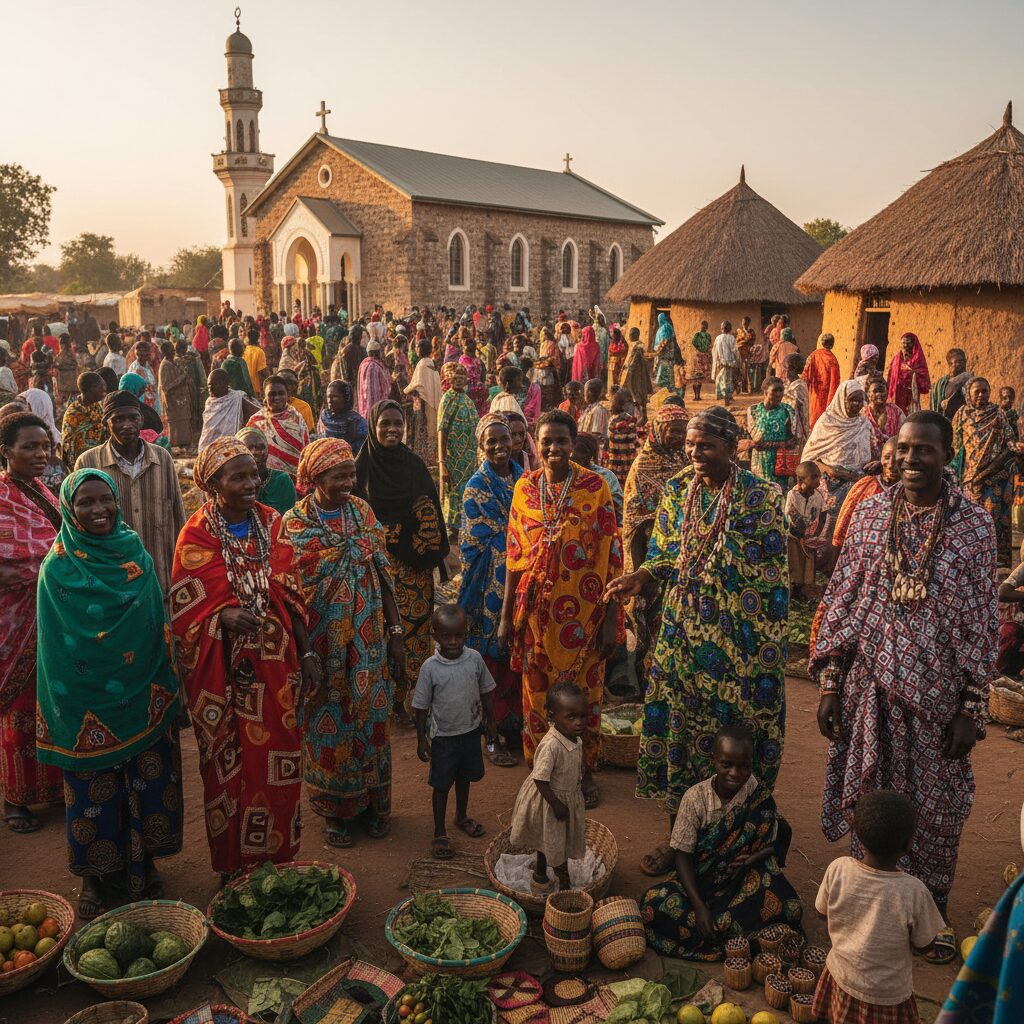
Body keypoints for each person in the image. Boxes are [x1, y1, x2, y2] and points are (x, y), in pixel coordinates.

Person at [813, 412, 997, 963]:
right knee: (874, 804)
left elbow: (982, 617)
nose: (913, 460)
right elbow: (844, 598)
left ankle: (930, 911)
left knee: (938, 809)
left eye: (926, 451)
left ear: (947, 457)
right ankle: (873, 906)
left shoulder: (973, 526)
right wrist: (828, 684)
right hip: (869, 688)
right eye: (905, 450)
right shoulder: (870, 514)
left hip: (939, 699)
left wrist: (971, 705)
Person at [606, 406, 789, 876]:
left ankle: (734, 841)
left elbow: (771, 578)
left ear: (731, 448)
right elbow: (667, 552)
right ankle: (679, 838)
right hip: (683, 636)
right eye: (690, 444)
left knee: (731, 742)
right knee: (680, 738)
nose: (694, 452)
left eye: (705, 445)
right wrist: (642, 574)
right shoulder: (678, 489)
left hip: (738, 648)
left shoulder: (759, 498)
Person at [35, 468, 182, 917]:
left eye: (106, 500)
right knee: (91, 795)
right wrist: (73, 704)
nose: (98, 510)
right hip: (84, 702)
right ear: (68, 508)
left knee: (149, 782)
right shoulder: (58, 567)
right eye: (85, 503)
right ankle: (95, 880)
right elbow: (54, 648)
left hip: (141, 693)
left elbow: (155, 624)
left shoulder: (133, 551)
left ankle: (148, 865)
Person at [171, 437, 318, 879]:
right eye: (238, 477)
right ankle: (233, 865)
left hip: (276, 668)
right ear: (214, 483)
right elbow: (185, 611)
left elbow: (293, 597)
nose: (251, 482)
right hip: (224, 676)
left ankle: (277, 858)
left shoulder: (272, 523)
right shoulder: (196, 534)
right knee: (226, 764)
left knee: (280, 757)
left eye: (254, 473)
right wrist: (222, 613)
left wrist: (307, 651)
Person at [284, 438, 405, 848]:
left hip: (368, 641)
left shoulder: (363, 513)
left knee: (370, 716)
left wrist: (395, 633)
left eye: (351, 474)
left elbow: (384, 576)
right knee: (327, 718)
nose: (349, 482)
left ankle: (374, 804)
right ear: (316, 477)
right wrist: (302, 652)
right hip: (321, 646)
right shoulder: (296, 525)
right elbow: (288, 593)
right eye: (338, 476)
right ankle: (334, 812)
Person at [499, 410, 622, 808]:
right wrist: (505, 619)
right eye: (547, 441)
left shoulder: (594, 487)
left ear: (574, 444)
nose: (554, 449)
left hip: (585, 617)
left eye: (562, 441)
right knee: (538, 699)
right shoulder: (525, 488)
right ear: (535, 443)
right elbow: (514, 558)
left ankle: (584, 773)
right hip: (536, 617)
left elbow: (611, 557)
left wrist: (609, 622)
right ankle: (543, 771)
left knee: (584, 697)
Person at [640, 725, 800, 959]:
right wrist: (699, 907)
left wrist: (752, 859)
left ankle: (723, 937)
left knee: (789, 906)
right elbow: (682, 856)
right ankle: (741, 939)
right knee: (651, 905)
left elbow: (773, 841)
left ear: (751, 764)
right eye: (727, 765)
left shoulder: (755, 791)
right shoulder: (695, 798)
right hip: (700, 882)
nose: (735, 773)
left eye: (743, 766)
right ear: (714, 760)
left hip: (742, 881)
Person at [812, 791, 944, 1024]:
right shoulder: (914, 891)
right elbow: (925, 946)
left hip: (840, 978)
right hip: (887, 996)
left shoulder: (838, 869)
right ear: (907, 845)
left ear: (858, 837)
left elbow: (821, 913)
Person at [355, 400, 449, 716]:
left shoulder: (414, 466)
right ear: (373, 426)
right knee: (378, 632)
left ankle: (413, 702)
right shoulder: (361, 468)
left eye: (398, 424)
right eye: (386, 424)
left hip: (414, 569)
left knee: (415, 633)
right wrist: (386, 538)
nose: (393, 429)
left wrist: (398, 535)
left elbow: (430, 514)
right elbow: (355, 519)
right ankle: (384, 701)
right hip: (374, 571)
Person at [0, 413, 63, 834]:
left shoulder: (44, 491)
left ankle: (53, 788)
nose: (40, 454)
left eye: (44, 447)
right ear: (6, 452)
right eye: (29, 447)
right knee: (18, 711)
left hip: (52, 618)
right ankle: (15, 799)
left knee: (52, 703)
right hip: (15, 621)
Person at [457, 415, 524, 765]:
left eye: (505, 439)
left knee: (516, 658)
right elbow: (473, 541)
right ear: (481, 446)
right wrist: (515, 542)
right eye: (491, 441)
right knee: (490, 661)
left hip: (521, 582)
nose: (500, 446)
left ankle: (516, 727)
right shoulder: (476, 486)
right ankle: (491, 734)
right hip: (488, 590)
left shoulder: (524, 480)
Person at [75, 391, 185, 595]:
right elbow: (79, 528)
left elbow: (178, 516)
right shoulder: (88, 463)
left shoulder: (162, 458)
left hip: (160, 576)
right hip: (113, 581)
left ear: (141, 419)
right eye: (118, 419)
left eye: (132, 418)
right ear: (106, 422)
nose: (127, 425)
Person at [413, 606, 496, 860]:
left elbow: (487, 690)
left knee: (465, 777)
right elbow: (420, 706)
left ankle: (461, 816)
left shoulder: (474, 659)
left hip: (470, 731)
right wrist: (421, 739)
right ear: (435, 636)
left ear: (466, 633)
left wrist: (491, 721)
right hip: (444, 737)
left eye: (458, 636)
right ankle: (439, 831)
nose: (453, 642)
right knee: (441, 784)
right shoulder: (430, 668)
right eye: (446, 636)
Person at [622, 404, 690, 671]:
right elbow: (634, 525)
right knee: (648, 621)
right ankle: (646, 684)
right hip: (650, 556)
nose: (679, 438)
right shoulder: (642, 467)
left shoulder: (685, 461)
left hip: (680, 558)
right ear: (659, 430)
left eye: (683, 432)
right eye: (673, 431)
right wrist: (641, 573)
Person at [508, 682, 588, 893]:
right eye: (571, 717)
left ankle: (543, 872)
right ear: (553, 716)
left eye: (582, 716)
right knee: (550, 841)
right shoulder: (551, 744)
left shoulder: (575, 738)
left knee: (555, 839)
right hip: (549, 799)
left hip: (564, 797)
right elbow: (540, 779)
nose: (579, 722)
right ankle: (555, 878)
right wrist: (556, 804)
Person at [952, 377, 1020, 566]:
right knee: (969, 517)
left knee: (991, 516)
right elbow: (955, 444)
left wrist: (1017, 446)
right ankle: (971, 557)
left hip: (993, 475)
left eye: (985, 391)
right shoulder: (962, 414)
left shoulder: (997, 413)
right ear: (969, 394)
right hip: (968, 476)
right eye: (977, 392)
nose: (981, 395)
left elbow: (1009, 439)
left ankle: (994, 559)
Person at [802, 379, 872, 540]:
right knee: (829, 529)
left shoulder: (863, 423)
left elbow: (872, 451)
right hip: (831, 483)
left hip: (859, 481)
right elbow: (808, 458)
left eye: (861, 400)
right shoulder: (827, 422)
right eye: (853, 400)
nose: (858, 404)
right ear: (842, 399)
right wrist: (828, 469)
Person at [831, 435, 901, 551]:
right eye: (886, 457)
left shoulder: (912, 490)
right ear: (880, 458)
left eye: (897, 458)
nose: (891, 464)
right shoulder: (865, 486)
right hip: (864, 551)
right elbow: (845, 524)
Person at [438, 362, 479, 533]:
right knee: (454, 492)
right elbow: (442, 429)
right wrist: (442, 463)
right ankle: (453, 529)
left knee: (467, 490)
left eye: (463, 377)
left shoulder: (467, 400)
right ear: (449, 378)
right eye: (456, 377)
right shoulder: (448, 398)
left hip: (469, 458)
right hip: (453, 457)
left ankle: (464, 524)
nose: (460, 381)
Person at [246, 375, 310, 478]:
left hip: (295, 479)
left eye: (281, 393)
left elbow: (306, 450)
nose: (277, 398)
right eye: (272, 394)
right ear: (264, 397)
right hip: (266, 480)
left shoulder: (297, 418)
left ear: (288, 395)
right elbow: (248, 453)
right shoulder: (256, 421)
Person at [786, 462, 828, 600]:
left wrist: (815, 535)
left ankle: (805, 590)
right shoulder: (793, 495)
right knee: (795, 562)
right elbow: (790, 516)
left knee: (808, 564)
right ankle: (794, 589)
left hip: (809, 537)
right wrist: (800, 535)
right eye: (815, 477)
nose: (818, 480)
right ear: (801, 480)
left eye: (819, 476)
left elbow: (822, 515)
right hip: (794, 536)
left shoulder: (817, 496)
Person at [746, 376, 795, 487]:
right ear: (765, 393)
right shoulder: (753, 411)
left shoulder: (787, 410)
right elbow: (757, 443)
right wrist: (782, 444)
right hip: (760, 462)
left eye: (781, 390)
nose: (779, 394)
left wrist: (768, 444)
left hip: (780, 464)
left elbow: (793, 440)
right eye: (774, 391)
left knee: (779, 494)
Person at [237, 426, 297, 514]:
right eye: (249, 448)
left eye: (261, 447)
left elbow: (289, 517)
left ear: (268, 450)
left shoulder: (282, 480)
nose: (255, 452)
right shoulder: (235, 483)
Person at [197, 368, 258, 451]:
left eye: (214, 385)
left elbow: (257, 414)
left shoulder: (237, 398)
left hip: (231, 447)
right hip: (209, 447)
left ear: (225, 383)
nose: (210, 389)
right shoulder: (209, 402)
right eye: (209, 386)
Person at [571, 431, 623, 524]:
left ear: (589, 456)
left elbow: (617, 506)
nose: (575, 465)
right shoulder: (563, 475)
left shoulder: (605, 476)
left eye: (578, 460)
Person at [404, 338, 441, 464]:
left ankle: (423, 459)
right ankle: (430, 458)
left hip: (422, 404)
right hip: (431, 402)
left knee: (422, 430)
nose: (416, 349)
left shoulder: (422, 365)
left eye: (417, 347)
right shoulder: (432, 363)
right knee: (431, 430)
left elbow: (419, 386)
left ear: (421, 350)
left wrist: (406, 391)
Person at [60, 371, 107, 470]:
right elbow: (69, 446)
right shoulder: (73, 414)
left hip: (99, 460)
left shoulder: (96, 407)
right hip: (80, 464)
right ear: (91, 389)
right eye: (101, 387)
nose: (104, 389)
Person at [157, 340, 195, 448]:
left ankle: (184, 447)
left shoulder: (172, 362)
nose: (173, 352)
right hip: (174, 403)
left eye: (173, 350)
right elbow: (165, 387)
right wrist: (181, 379)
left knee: (184, 426)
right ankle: (177, 448)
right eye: (171, 350)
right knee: (176, 429)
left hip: (181, 402)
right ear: (165, 352)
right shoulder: (164, 366)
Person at [318, 379, 368, 453]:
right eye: (328, 397)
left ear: (346, 398)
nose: (330, 401)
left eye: (334, 396)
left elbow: (361, 452)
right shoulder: (324, 418)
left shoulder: (359, 423)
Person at [802, 333, 841, 427]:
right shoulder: (833, 360)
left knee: (813, 412)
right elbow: (835, 380)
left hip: (814, 390)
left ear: (822, 343)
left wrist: (805, 387)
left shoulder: (813, 355)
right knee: (823, 415)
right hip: (827, 392)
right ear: (832, 344)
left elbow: (805, 372)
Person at [886, 332, 931, 414]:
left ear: (914, 344)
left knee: (910, 416)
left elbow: (923, 375)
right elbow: (890, 376)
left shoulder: (918, 360)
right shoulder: (896, 359)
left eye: (908, 343)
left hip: (911, 394)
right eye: (903, 343)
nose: (905, 345)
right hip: (897, 393)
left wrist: (912, 372)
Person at [863, 374, 905, 458]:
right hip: (867, 459)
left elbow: (903, 437)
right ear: (867, 394)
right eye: (875, 391)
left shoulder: (896, 412)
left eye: (882, 390)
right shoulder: (862, 414)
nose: (879, 394)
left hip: (892, 458)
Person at [605, 388, 639, 488]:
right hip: (627, 463)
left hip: (614, 462)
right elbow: (633, 440)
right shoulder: (628, 420)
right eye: (631, 403)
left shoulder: (612, 419)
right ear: (624, 405)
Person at [930, 347, 971, 421]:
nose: (959, 364)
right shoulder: (939, 385)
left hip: (967, 422)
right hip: (945, 423)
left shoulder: (972, 381)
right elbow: (934, 409)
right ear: (949, 364)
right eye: (956, 362)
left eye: (962, 361)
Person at [622, 327, 653, 420]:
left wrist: (628, 367)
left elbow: (634, 361)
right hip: (634, 373)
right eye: (630, 334)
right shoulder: (634, 345)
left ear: (636, 335)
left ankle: (642, 416)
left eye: (631, 335)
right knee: (635, 392)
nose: (630, 336)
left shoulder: (638, 346)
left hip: (637, 373)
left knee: (637, 391)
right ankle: (639, 416)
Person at [782, 353, 810, 452]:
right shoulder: (787, 385)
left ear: (794, 370)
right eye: (783, 368)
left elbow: (804, 413)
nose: (783, 371)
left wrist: (807, 434)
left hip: (794, 433)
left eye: (786, 368)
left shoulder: (799, 387)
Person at [357, 340, 391, 418]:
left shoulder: (363, 365)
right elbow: (383, 389)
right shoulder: (375, 366)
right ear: (377, 353)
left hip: (364, 409)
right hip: (377, 409)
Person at [711, 321, 739, 405]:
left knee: (720, 379)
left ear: (722, 329)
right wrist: (737, 361)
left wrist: (716, 362)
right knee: (727, 380)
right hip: (729, 362)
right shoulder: (731, 338)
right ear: (729, 329)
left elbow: (714, 351)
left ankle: (726, 396)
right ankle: (726, 398)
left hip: (719, 363)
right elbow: (735, 351)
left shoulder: (718, 338)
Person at [127, 337, 159, 412]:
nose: (146, 355)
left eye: (147, 352)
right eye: (140, 353)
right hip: (142, 404)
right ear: (136, 353)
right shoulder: (136, 368)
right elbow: (136, 390)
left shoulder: (147, 366)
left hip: (151, 402)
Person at [652, 313, 681, 393]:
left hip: (665, 357)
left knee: (664, 380)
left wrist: (657, 351)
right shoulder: (666, 327)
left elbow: (664, 342)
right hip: (668, 357)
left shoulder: (665, 328)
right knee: (668, 379)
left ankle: (668, 395)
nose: (658, 321)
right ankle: (669, 394)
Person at [686, 320, 712, 402]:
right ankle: (698, 396)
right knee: (699, 378)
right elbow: (709, 345)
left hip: (698, 356)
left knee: (697, 378)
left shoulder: (697, 335)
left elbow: (693, 342)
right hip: (703, 356)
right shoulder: (707, 336)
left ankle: (696, 396)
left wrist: (698, 347)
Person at [577, 377, 610, 441]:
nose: (583, 394)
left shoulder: (599, 410)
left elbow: (596, 435)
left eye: (585, 391)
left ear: (589, 392)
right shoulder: (588, 409)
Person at [734, 316, 755, 395]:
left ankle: (746, 389)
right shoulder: (739, 331)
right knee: (738, 371)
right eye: (743, 323)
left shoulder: (751, 331)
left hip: (746, 353)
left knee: (746, 371)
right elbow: (736, 340)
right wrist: (744, 339)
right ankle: (738, 389)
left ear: (748, 323)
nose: (744, 324)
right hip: (738, 353)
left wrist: (744, 340)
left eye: (746, 323)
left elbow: (751, 341)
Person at [243, 327, 268, 393]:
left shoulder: (244, 350)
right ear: (258, 339)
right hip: (256, 388)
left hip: (245, 387)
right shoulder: (259, 351)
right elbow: (262, 371)